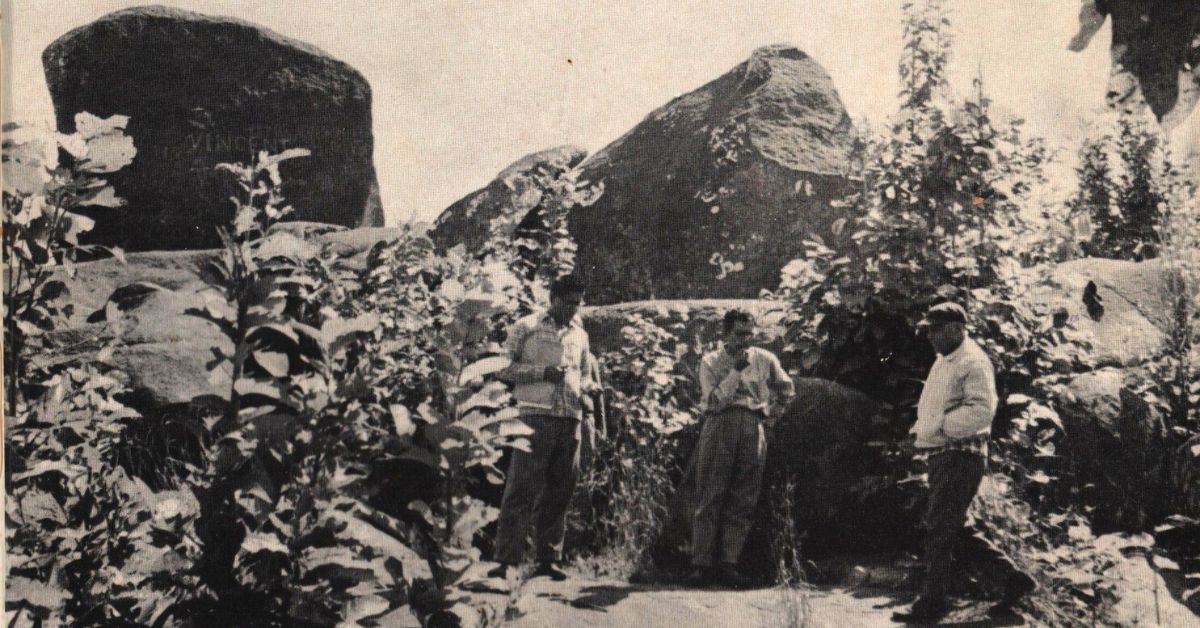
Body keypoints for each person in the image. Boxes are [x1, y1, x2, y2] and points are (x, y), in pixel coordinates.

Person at [893, 302, 1037, 622]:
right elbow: (936, 408)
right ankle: (1012, 579)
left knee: (940, 528)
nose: (930, 335)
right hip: (945, 454)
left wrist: (941, 430)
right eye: (928, 328)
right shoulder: (945, 361)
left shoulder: (972, 361)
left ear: (957, 328)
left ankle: (932, 602)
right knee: (952, 525)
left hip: (961, 454)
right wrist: (922, 433)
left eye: (937, 328)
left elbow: (981, 410)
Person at [488, 275, 592, 581]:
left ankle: (548, 560)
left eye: (578, 302)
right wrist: (542, 372)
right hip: (534, 415)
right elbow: (503, 368)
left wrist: (589, 387)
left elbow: (584, 374)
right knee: (521, 488)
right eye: (569, 302)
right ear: (554, 299)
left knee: (561, 489)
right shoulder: (526, 326)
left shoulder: (580, 335)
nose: (574, 309)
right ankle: (507, 560)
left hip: (569, 417)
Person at [688, 309, 794, 589]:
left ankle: (729, 564)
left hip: (753, 426)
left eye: (750, 334)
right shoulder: (711, 361)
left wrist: (769, 418)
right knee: (711, 491)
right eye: (739, 334)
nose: (745, 340)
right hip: (720, 424)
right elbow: (714, 402)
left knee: (744, 496)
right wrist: (735, 371)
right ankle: (701, 564)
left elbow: (786, 389)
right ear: (725, 334)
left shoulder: (765, 359)